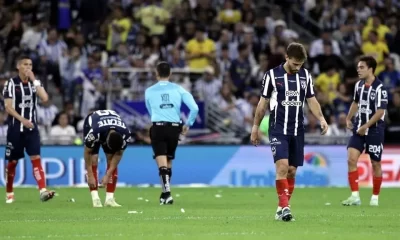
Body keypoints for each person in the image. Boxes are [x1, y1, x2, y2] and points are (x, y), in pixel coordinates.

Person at [250, 43, 329, 221]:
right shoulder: (271, 75)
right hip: (278, 128)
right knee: (283, 167)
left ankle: (280, 208)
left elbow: (312, 100)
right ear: (286, 57)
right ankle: (286, 208)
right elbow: (263, 104)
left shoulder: (305, 75)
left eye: (300, 64)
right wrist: (255, 127)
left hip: (297, 129)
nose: (297, 67)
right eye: (294, 64)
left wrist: (322, 119)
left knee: (292, 170)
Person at [3, 55, 56, 203]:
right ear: (18, 66)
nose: (28, 67)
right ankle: (9, 192)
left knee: (36, 158)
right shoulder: (11, 84)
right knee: (12, 162)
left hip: (31, 128)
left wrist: (34, 80)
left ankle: (43, 191)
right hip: (15, 128)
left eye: (30, 65)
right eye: (25, 64)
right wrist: (22, 120)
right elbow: (8, 107)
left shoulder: (34, 83)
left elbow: (45, 98)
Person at [145, 62, 199, 205]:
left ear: (156, 73)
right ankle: (165, 194)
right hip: (174, 128)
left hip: (158, 127)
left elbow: (151, 111)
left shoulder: (149, 91)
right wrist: (188, 124)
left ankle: (167, 194)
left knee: (161, 162)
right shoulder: (179, 89)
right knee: (168, 161)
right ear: (170, 74)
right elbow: (194, 108)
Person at [342, 56, 387, 207]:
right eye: (358, 67)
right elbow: (355, 102)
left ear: (370, 69)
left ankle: (375, 197)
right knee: (351, 159)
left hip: (374, 130)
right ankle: (355, 196)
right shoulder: (358, 85)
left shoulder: (380, 88)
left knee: (375, 163)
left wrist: (366, 126)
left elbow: (380, 112)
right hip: (358, 128)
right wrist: (349, 118)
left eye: (361, 67)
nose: (358, 70)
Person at [83, 109, 132, 207]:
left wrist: (107, 175)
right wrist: (90, 174)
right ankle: (95, 199)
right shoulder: (94, 132)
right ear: (106, 141)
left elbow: (118, 154)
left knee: (111, 158)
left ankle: (109, 199)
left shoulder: (126, 134)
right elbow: (87, 152)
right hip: (92, 123)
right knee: (94, 158)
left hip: (111, 124)